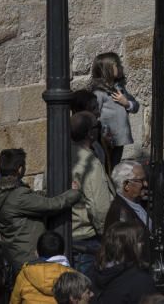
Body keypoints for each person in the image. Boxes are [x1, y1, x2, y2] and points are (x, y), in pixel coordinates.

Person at [0, 149, 82, 271]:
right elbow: (52, 205)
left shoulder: (1, 192)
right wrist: (74, 193)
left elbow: (33, 199)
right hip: (30, 257)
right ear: (20, 169)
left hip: (16, 254)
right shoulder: (18, 196)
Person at [69, 111, 115, 274]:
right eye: (98, 125)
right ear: (90, 133)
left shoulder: (61, 155)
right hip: (87, 239)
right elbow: (99, 207)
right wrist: (106, 235)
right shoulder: (90, 164)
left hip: (69, 234)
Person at [87, 52, 139, 168]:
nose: (121, 67)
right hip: (106, 140)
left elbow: (136, 106)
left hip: (119, 139)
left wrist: (126, 103)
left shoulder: (119, 88)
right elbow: (92, 115)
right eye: (118, 65)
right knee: (105, 166)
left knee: (115, 166)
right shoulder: (99, 92)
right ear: (108, 69)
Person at [88, 222, 156, 304]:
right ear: (128, 246)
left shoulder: (92, 272)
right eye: (139, 241)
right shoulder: (141, 282)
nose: (142, 244)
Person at [10, 230, 74, 304]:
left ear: (36, 253)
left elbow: (14, 301)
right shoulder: (73, 276)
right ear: (64, 254)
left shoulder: (25, 273)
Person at [105, 160, 151, 237]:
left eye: (145, 179)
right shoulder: (122, 217)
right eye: (141, 180)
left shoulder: (134, 203)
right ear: (126, 185)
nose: (146, 184)